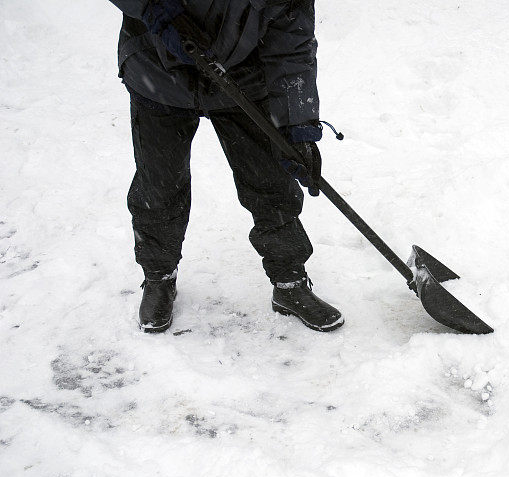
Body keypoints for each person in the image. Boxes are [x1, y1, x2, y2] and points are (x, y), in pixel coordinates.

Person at [107, 0, 344, 333]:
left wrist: (298, 127)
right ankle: (159, 275)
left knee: (271, 184)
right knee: (159, 185)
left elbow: (292, 43)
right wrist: (151, 6)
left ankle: (290, 283)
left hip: (242, 74)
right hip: (157, 68)